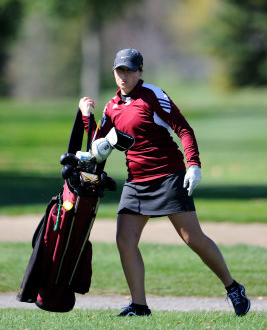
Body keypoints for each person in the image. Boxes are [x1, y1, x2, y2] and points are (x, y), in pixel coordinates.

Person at [79, 48, 250, 317]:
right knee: (125, 239)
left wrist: (193, 165)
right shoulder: (112, 106)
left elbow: (183, 128)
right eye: (119, 70)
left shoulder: (153, 95)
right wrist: (86, 115)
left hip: (168, 175)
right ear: (114, 73)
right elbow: (99, 146)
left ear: (140, 72)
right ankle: (139, 306)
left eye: (129, 70)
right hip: (136, 181)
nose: (124, 75)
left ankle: (233, 288)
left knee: (192, 237)